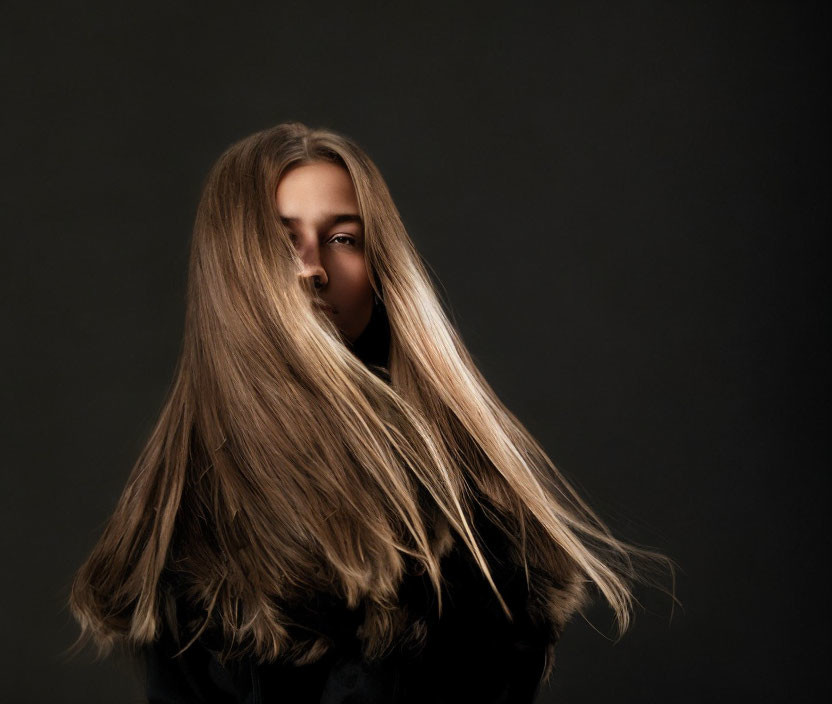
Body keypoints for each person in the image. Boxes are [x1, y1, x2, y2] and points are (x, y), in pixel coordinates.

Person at [68, 122, 677, 702]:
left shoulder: (455, 495)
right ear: (230, 271)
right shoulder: (178, 512)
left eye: (342, 239)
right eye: (281, 242)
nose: (311, 269)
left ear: (380, 268)